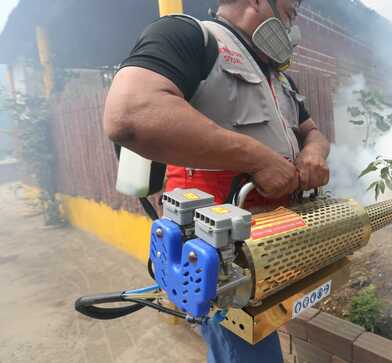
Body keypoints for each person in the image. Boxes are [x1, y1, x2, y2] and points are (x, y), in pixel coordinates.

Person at [102, 0, 330, 361]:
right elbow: (131, 112)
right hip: (217, 255)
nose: (295, 22)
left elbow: (312, 131)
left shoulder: (280, 79)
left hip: (269, 245)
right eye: (291, 10)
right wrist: (257, 159)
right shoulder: (190, 37)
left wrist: (313, 153)